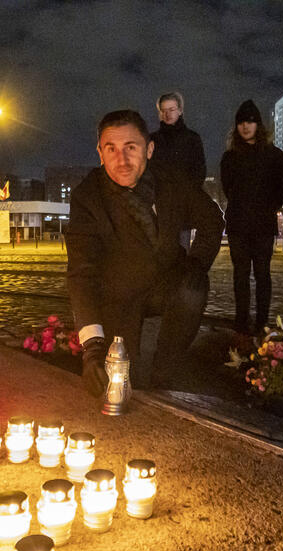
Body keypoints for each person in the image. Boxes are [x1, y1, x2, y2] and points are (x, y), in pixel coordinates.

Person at [66, 109, 224, 397]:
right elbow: (81, 273)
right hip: (118, 294)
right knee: (122, 384)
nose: (121, 160)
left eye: (131, 148)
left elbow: (212, 220)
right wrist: (92, 348)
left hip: (167, 281)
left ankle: (166, 370)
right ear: (100, 153)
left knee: (193, 288)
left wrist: (196, 264)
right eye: (111, 149)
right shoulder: (87, 197)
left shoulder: (171, 181)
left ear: (149, 149)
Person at [220, 100, 283, 334]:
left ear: (258, 124)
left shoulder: (274, 155)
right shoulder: (230, 157)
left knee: (262, 274)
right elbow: (228, 187)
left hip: (263, 225)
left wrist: (267, 206)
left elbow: (282, 188)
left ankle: (262, 321)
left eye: (250, 121)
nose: (245, 126)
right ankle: (241, 320)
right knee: (240, 275)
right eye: (241, 122)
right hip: (238, 224)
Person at [149, 92, 207, 187]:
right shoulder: (152, 139)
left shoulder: (192, 138)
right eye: (163, 111)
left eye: (171, 109)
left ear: (180, 111)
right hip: (162, 196)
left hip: (188, 195)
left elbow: (200, 171)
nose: (167, 114)